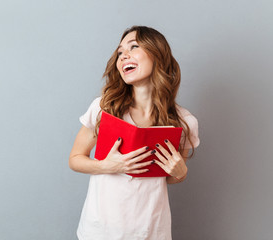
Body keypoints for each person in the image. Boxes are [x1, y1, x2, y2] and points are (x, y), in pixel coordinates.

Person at [69, 25, 200, 240]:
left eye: (133, 47)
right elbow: (75, 159)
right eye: (120, 52)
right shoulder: (104, 108)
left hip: (150, 230)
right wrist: (108, 165)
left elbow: (170, 178)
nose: (123, 56)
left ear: (157, 54)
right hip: (100, 230)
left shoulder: (183, 121)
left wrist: (180, 172)